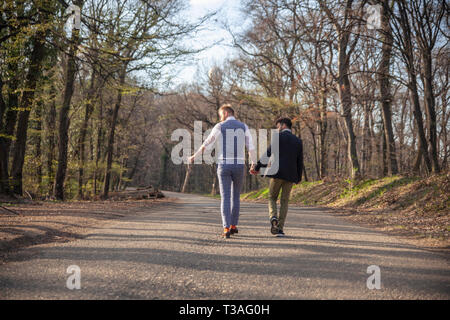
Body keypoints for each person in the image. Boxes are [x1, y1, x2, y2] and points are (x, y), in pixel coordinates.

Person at [189, 104, 256, 238]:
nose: (220, 117)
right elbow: (251, 147)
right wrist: (253, 163)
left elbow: (207, 143)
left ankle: (226, 228)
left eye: (220, 114)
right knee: (236, 197)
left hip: (224, 164)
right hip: (239, 165)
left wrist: (194, 156)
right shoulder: (244, 127)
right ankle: (233, 225)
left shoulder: (220, 126)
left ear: (225, 113)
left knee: (225, 197)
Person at [250, 117, 303, 237]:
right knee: (285, 201)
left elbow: (268, 153)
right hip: (291, 175)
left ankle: (273, 217)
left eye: (278, 126)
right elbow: (300, 161)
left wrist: (257, 167)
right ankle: (280, 229)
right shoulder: (298, 141)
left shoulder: (278, 137)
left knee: (272, 197)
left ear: (283, 125)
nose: (277, 128)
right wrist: (299, 177)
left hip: (277, 173)